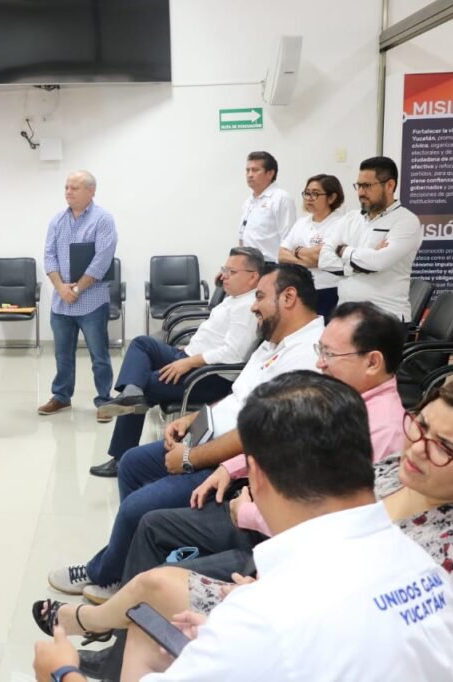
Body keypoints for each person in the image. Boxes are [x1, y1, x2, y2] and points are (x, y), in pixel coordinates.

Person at [32, 302, 410, 678]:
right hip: (259, 505)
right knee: (151, 523)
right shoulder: (339, 396)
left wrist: (245, 508)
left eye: (329, 354)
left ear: (372, 361)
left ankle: (106, 626)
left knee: (159, 571)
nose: (320, 363)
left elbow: (327, 520)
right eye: (320, 351)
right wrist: (231, 468)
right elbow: (274, 435)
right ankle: (117, 644)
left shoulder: (378, 428)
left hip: (272, 532)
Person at [47, 265, 322, 604]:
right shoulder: (274, 341)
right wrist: (193, 418)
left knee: (136, 509)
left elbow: (258, 433)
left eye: (261, 297)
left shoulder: (304, 355)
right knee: (131, 463)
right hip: (207, 436)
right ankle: (129, 565)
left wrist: (190, 458)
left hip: (231, 463)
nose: (254, 305)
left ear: (289, 297)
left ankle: (106, 573)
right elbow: (237, 395)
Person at [87, 247, 262, 478]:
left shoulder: (247, 307)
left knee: (146, 383)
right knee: (142, 344)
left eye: (232, 272)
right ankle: (131, 392)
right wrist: (188, 353)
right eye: (224, 269)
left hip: (209, 376)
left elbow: (234, 354)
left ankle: (121, 456)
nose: (224, 276)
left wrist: (189, 363)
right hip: (191, 356)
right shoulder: (235, 298)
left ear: (253, 276)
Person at [38, 170, 118, 418]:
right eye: (66, 187)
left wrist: (76, 289)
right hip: (61, 303)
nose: (68, 192)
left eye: (74, 188)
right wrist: (61, 288)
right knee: (62, 354)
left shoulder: (103, 220)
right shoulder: (57, 221)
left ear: (91, 191)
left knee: (99, 356)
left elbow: (101, 261)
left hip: (91, 302)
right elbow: (49, 256)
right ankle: (61, 397)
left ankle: (104, 401)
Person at [319, 156, 423, 321]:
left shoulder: (406, 221)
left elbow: (378, 262)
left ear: (390, 185)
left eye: (367, 186)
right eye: (359, 185)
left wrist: (343, 250)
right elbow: (324, 259)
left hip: (384, 319)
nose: (360, 192)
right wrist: (358, 265)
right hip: (345, 314)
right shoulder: (350, 218)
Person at [277, 173, 346, 318]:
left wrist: (297, 251)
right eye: (307, 193)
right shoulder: (302, 222)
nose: (309, 198)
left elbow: (322, 256)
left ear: (332, 197)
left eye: (315, 194)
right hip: (301, 289)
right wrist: (305, 262)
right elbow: (282, 254)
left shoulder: (341, 223)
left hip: (329, 289)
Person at [238, 151, 295, 264]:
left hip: (271, 265)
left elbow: (288, 239)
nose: (250, 175)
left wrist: (283, 270)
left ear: (270, 173)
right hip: (249, 264)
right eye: (247, 170)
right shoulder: (248, 202)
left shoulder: (281, 198)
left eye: (255, 170)